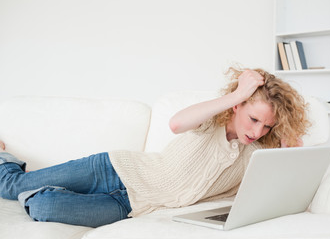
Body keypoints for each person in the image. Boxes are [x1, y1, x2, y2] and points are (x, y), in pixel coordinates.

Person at [0, 67, 310, 228]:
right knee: (10, 185)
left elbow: (277, 188)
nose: (257, 131)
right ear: (237, 107)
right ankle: (6, 158)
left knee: (44, 207)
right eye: (253, 118)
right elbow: (176, 123)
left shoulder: (256, 154)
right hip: (112, 170)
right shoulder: (212, 121)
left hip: (128, 206)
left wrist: (288, 143)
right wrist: (239, 92)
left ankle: (46, 186)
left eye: (267, 126)